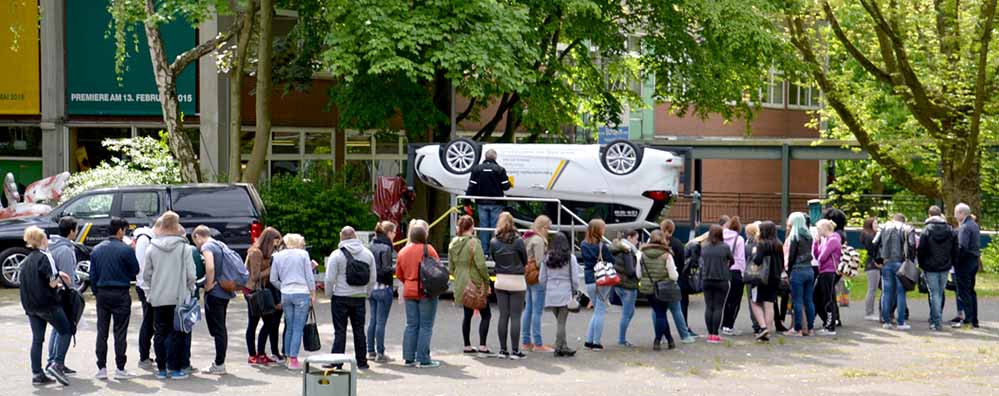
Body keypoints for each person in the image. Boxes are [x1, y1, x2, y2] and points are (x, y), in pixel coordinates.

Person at [143, 212, 196, 380]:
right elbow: (191, 275)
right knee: (177, 333)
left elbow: (146, 275)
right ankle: (175, 369)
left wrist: (154, 288)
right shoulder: (184, 248)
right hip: (178, 297)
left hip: (158, 298)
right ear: (176, 225)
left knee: (159, 332)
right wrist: (189, 288)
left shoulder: (151, 248)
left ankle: (161, 369)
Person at [21, 226, 74, 386]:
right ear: (43, 240)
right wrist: (59, 278)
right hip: (47, 304)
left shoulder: (27, 260)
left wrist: (56, 276)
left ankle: (37, 373)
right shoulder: (46, 256)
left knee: (37, 339)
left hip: (30, 305)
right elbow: (52, 283)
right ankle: (57, 364)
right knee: (66, 330)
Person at [89, 217, 141, 380]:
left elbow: (92, 276)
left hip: (103, 293)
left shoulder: (96, 249)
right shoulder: (126, 249)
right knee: (120, 331)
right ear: (120, 230)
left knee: (102, 331)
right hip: (121, 293)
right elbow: (135, 270)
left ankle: (101, 368)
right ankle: (120, 368)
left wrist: (97, 292)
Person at [325, 226, 377, 369]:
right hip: (359, 297)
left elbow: (329, 279)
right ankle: (362, 361)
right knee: (359, 330)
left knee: (340, 331)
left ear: (341, 237)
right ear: (355, 236)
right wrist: (367, 292)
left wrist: (330, 294)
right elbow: (373, 278)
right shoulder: (367, 254)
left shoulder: (336, 255)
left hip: (340, 297)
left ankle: (337, 362)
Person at [193, 225, 240, 375]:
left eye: (195, 242)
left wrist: (208, 285)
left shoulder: (207, 246)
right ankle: (220, 362)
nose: (196, 245)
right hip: (225, 291)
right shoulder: (220, 244)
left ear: (197, 236)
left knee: (218, 329)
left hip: (215, 293)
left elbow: (211, 267)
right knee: (221, 328)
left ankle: (219, 364)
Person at [396, 222, 442, 368]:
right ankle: (423, 358)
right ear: (424, 235)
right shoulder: (429, 249)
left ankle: (409, 358)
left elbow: (399, 273)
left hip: (409, 291)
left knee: (411, 325)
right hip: (426, 291)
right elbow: (437, 269)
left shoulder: (403, 251)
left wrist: (408, 282)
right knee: (426, 326)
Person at [639, 230, 693, 350]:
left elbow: (638, 274)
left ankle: (669, 340)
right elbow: (673, 276)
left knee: (659, 313)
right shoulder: (667, 255)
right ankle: (657, 340)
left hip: (648, 289)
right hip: (664, 288)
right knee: (661, 315)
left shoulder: (642, 255)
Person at [270, 233, 317, 370]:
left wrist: (283, 287)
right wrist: (313, 293)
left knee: (289, 327)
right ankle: (293, 359)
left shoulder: (277, 256)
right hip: (301, 293)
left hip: (286, 294)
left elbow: (273, 279)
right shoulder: (303, 255)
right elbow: (309, 276)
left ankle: (287, 356)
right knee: (298, 328)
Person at [449, 215, 492, 356]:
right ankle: (483, 345)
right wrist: (487, 281)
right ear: (472, 227)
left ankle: (467, 345)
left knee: (467, 315)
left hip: (461, 282)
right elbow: (481, 265)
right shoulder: (474, 243)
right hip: (474, 281)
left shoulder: (453, 243)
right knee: (486, 314)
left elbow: (451, 267)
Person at [490, 212, 528, 359]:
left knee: (503, 316)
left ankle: (502, 349)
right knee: (516, 316)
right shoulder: (518, 241)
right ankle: (515, 350)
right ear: (512, 223)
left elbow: (493, 258)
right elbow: (524, 259)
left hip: (500, 280)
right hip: (517, 280)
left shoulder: (494, 241)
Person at [245, 227, 283, 365]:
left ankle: (261, 353)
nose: (276, 245)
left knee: (269, 322)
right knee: (253, 323)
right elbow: (255, 276)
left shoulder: (268, 253)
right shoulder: (256, 252)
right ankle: (252, 354)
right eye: (275, 241)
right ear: (268, 240)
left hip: (263, 290)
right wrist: (272, 269)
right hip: (253, 291)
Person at [46, 216, 78, 375]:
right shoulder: (65, 249)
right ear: (71, 231)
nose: (76, 232)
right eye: (76, 229)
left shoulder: (52, 245)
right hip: (63, 295)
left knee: (56, 329)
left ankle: (52, 361)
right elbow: (68, 279)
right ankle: (56, 363)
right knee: (64, 329)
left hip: (53, 293)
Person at [872, 213, 916, 330]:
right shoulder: (908, 229)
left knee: (886, 292)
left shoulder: (883, 227)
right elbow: (912, 245)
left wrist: (878, 260)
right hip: (901, 264)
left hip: (886, 263)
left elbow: (875, 243)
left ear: (893, 219)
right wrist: (910, 261)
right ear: (903, 220)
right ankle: (901, 322)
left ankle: (886, 322)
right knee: (901, 293)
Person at [918, 206, 958, 331]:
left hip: (930, 266)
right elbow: (955, 248)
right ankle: (935, 319)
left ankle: (936, 321)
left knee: (934, 294)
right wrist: (951, 262)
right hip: (945, 265)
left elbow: (921, 250)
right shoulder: (950, 229)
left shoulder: (926, 230)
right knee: (939, 293)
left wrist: (921, 264)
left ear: (929, 215)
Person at [540, 233, 581, 357]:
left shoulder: (547, 257)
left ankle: (564, 346)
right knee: (561, 322)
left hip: (551, 293)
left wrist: (547, 288)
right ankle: (559, 347)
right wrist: (575, 290)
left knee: (559, 320)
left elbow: (542, 278)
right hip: (565, 292)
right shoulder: (570, 258)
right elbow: (575, 278)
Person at [465, 148, 511, 251]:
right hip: (496, 203)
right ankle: (494, 251)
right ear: (495, 158)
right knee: (495, 227)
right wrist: (509, 183)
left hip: (481, 202)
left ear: (485, 157)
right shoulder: (500, 169)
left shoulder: (476, 169)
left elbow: (471, 186)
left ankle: (484, 251)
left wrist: (466, 202)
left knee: (483, 227)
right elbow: (505, 186)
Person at [581, 219, 614, 350]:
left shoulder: (583, 244)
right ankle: (596, 342)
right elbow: (611, 260)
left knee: (596, 311)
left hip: (589, 280)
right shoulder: (602, 246)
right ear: (598, 230)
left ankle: (589, 340)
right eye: (603, 228)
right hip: (602, 280)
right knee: (600, 311)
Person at [367, 221, 397, 363]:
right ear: (389, 233)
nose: (395, 235)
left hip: (371, 288)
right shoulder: (386, 248)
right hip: (384, 288)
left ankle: (370, 351)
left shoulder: (370, 246)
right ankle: (380, 352)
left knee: (372, 320)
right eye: (394, 232)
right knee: (381, 322)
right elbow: (385, 269)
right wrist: (396, 268)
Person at [748, 221, 783, 342]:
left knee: (754, 302)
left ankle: (763, 327)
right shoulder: (779, 244)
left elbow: (757, 261)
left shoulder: (761, 244)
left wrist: (754, 253)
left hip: (762, 278)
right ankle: (768, 331)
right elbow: (782, 262)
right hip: (775, 278)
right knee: (769, 304)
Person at [521, 215, 551, 353]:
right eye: (548, 228)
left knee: (528, 309)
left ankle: (526, 342)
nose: (548, 231)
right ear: (543, 227)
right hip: (537, 277)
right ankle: (538, 343)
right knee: (537, 312)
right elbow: (540, 262)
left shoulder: (527, 237)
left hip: (527, 276)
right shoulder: (538, 240)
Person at [662, 219, 695, 338]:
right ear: (672, 230)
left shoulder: (656, 243)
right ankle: (684, 331)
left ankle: (662, 334)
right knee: (681, 307)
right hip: (676, 279)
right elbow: (682, 263)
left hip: (660, 280)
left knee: (661, 310)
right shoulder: (677, 244)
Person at [700, 225, 733, 343]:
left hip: (706, 279)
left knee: (709, 306)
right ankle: (715, 334)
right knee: (718, 307)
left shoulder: (704, 247)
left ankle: (709, 334)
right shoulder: (725, 247)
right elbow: (732, 260)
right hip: (721, 279)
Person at [786, 212, 816, 336]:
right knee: (809, 300)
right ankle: (811, 328)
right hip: (809, 269)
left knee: (797, 301)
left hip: (797, 271)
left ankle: (797, 329)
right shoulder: (809, 236)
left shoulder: (795, 237)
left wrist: (789, 270)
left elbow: (792, 256)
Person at [132, 222, 157, 370]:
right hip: (145, 287)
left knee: (150, 321)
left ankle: (145, 355)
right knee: (148, 321)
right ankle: (144, 356)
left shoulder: (146, 238)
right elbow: (141, 266)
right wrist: (147, 289)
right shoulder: (144, 239)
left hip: (147, 286)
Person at [610, 230, 640, 347]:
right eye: (636, 239)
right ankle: (622, 340)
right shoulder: (628, 251)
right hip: (628, 285)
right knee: (627, 313)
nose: (637, 242)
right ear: (630, 237)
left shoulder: (618, 248)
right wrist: (638, 265)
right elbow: (630, 271)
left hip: (619, 283)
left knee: (629, 312)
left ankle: (622, 338)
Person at [812, 219, 842, 336]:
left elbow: (822, 257)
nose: (817, 231)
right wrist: (816, 242)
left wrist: (820, 253)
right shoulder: (826, 240)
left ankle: (830, 327)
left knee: (827, 299)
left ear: (825, 228)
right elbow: (817, 255)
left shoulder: (833, 240)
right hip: (823, 272)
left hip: (829, 272)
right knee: (816, 298)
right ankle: (827, 322)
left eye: (819, 229)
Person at [954, 203, 980, 328]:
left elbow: (962, 247)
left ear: (961, 213)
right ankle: (974, 319)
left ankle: (968, 319)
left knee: (964, 292)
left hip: (965, 263)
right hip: (974, 261)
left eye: (956, 213)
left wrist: (956, 261)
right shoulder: (974, 225)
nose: (954, 216)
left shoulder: (964, 227)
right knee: (971, 291)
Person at [720, 217, 746, 336]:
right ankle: (729, 325)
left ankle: (721, 324)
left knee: (724, 300)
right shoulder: (739, 239)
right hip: (735, 272)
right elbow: (740, 258)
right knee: (734, 301)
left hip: (723, 271)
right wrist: (743, 273)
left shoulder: (721, 237)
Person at [860, 218, 881, 321]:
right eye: (875, 223)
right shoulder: (870, 236)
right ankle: (869, 313)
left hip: (872, 263)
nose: (877, 225)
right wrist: (877, 261)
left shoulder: (870, 235)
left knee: (873, 289)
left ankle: (870, 312)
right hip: (873, 264)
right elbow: (873, 250)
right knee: (872, 289)